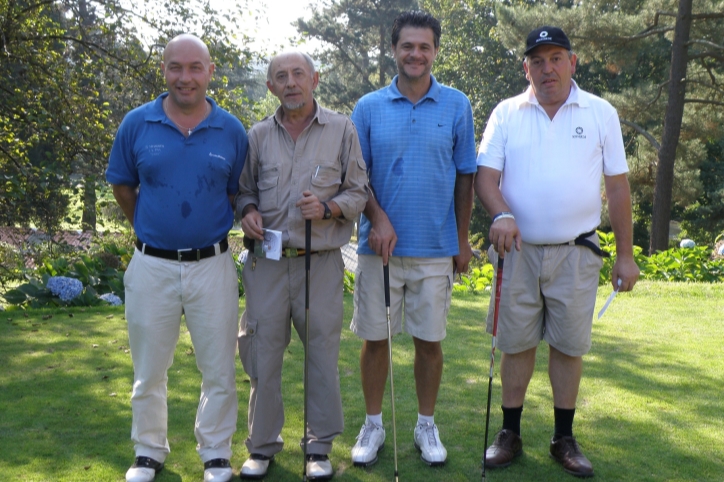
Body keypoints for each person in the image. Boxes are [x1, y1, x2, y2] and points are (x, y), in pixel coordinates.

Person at [475, 26, 640, 478]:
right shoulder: (507, 112)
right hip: (518, 251)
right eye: (538, 61)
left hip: (576, 251)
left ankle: (563, 437)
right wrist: (501, 214)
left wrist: (625, 255)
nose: (547, 68)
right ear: (525, 68)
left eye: (555, 58)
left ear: (572, 62)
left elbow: (617, 186)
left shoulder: (600, 112)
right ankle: (509, 432)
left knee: (568, 346)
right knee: (516, 343)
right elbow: (485, 178)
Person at [106, 34, 247, 482]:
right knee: (149, 369)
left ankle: (216, 453)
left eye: (194, 67)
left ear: (210, 71)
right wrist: (152, 231)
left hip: (213, 265)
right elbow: (123, 186)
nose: (184, 77)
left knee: (219, 368)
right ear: (164, 70)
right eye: (175, 67)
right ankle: (149, 451)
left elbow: (236, 193)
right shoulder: (137, 124)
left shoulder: (231, 130)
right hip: (152, 266)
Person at [349, 11, 477, 468]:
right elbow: (356, 179)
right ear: (394, 50)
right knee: (375, 338)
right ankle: (373, 423)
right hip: (377, 251)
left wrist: (462, 242)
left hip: (435, 248)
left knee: (429, 342)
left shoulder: (457, 104)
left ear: (435, 51)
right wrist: (378, 218)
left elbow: (466, 177)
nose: (415, 54)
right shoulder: (367, 107)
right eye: (408, 46)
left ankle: (426, 423)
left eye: (424, 47)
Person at [236, 51, 368, 480]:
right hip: (267, 266)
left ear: (315, 79)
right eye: (280, 76)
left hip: (321, 265)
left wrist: (328, 208)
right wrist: (249, 211)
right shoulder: (257, 136)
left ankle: (318, 448)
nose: (290, 82)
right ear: (270, 86)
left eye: (298, 74)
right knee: (261, 355)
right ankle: (261, 447)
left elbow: (359, 192)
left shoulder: (342, 129)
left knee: (322, 358)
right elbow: (243, 191)